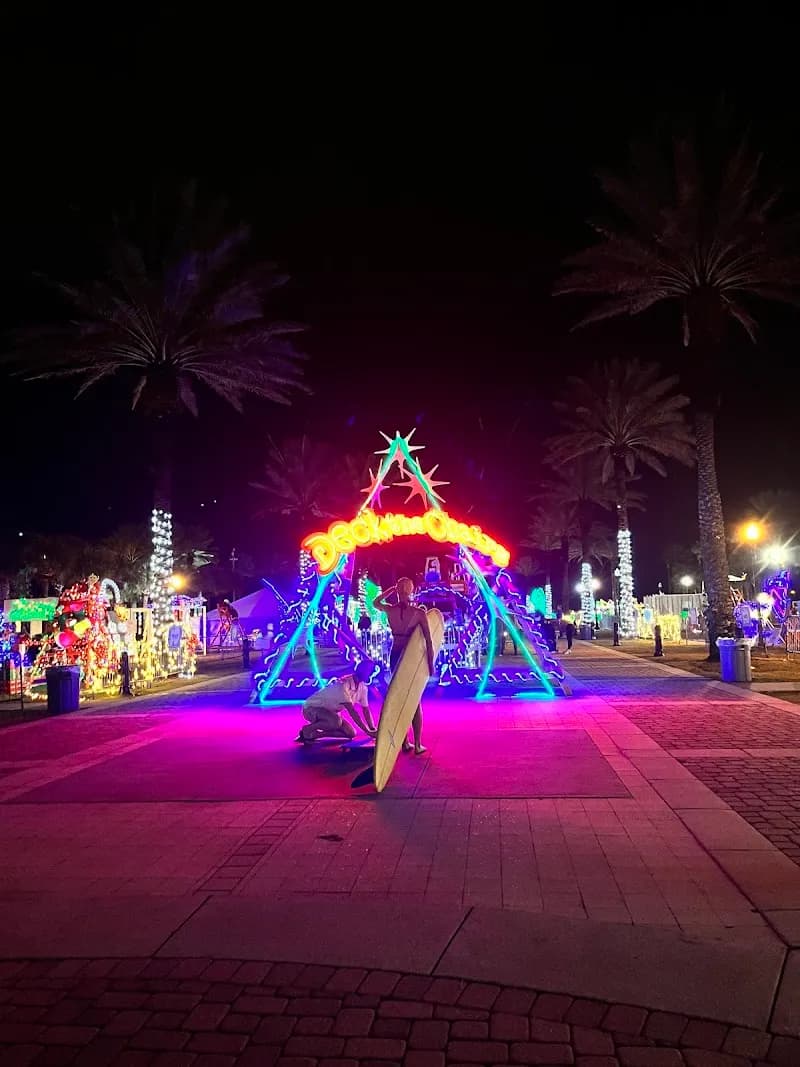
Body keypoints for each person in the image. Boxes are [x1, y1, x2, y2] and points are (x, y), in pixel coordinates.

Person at [372, 577, 434, 754]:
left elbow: (375, 602)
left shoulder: (390, 610)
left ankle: (404, 742)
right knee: (414, 700)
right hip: (409, 656)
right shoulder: (418, 613)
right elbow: (429, 640)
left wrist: (391, 590)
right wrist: (430, 663)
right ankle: (418, 743)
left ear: (398, 591)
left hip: (395, 654)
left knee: (399, 697)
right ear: (412, 590)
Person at [295, 661, 377, 745]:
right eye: (370, 671)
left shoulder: (363, 687)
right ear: (362, 671)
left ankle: (315, 734)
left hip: (330, 712)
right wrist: (367, 731)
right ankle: (307, 729)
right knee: (335, 722)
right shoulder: (344, 685)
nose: (372, 674)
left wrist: (372, 729)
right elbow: (352, 712)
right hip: (311, 708)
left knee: (350, 733)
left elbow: (366, 710)